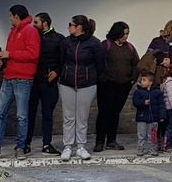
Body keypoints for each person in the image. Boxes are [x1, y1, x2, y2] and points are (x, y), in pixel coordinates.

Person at [0, 5, 39, 159]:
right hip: (8, 76)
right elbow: (12, 55)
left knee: (21, 115)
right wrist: (2, 60)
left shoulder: (30, 31)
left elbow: (33, 54)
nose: (10, 19)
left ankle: (20, 147)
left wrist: (10, 54)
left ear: (16, 16)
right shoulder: (13, 32)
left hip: (23, 79)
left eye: (11, 16)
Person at [56, 15, 107, 161]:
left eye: (71, 24)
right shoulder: (66, 42)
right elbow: (61, 61)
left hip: (87, 84)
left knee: (82, 116)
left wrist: (92, 78)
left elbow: (100, 65)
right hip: (67, 82)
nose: (68, 27)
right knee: (68, 116)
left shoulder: (94, 43)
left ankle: (81, 146)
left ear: (79, 27)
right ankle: (67, 146)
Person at [24, 13, 65, 156]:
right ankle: (26, 143)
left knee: (47, 114)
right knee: (29, 113)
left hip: (49, 82)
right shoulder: (31, 36)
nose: (33, 25)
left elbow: (63, 60)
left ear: (45, 23)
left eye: (36, 22)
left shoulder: (59, 39)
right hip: (32, 80)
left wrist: (56, 72)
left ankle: (47, 144)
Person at [98, 22, 140, 152]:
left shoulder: (130, 48)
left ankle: (111, 140)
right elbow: (99, 62)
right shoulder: (106, 45)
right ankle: (99, 141)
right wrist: (103, 78)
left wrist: (132, 80)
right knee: (104, 113)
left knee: (115, 113)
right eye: (124, 33)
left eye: (127, 34)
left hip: (123, 86)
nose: (126, 36)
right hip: (106, 85)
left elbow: (136, 65)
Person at [131, 69, 164, 158]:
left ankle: (152, 149)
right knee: (141, 134)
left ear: (150, 82)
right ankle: (140, 149)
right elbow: (135, 102)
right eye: (142, 80)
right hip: (141, 117)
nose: (142, 81)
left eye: (144, 80)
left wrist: (162, 115)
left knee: (152, 135)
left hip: (153, 118)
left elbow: (161, 105)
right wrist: (143, 102)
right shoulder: (138, 92)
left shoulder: (157, 93)